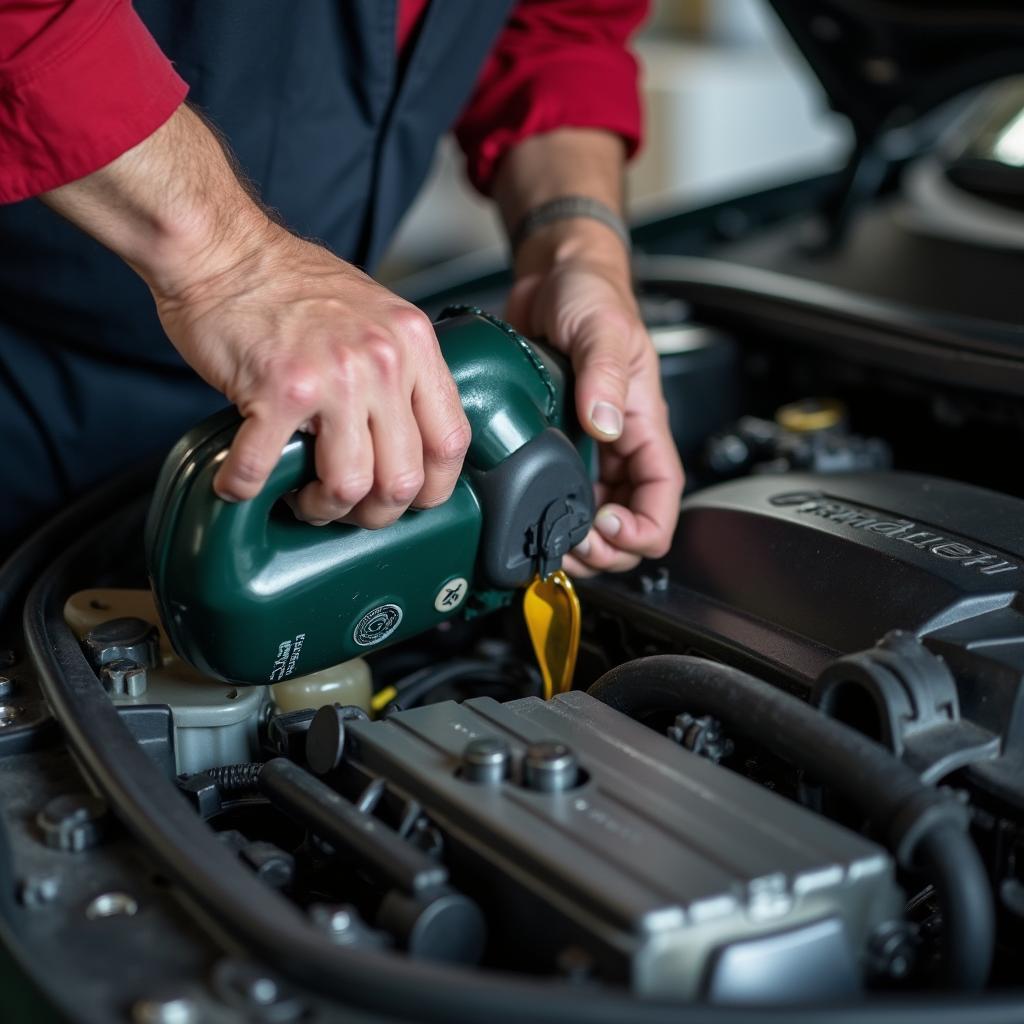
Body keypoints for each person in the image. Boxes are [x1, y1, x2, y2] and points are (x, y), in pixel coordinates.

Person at [0, 0, 683, 574]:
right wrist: (230, 262)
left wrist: (576, 245)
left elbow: (560, 26)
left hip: (316, 378)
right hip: (28, 377)